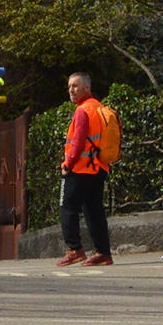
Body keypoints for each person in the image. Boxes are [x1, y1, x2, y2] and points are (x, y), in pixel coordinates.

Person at [56, 73, 113, 267]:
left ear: (86, 88)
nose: (71, 90)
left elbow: (78, 142)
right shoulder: (99, 107)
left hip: (80, 168)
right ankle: (103, 252)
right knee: (94, 210)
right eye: (69, 86)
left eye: (75, 86)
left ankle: (75, 249)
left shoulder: (82, 111)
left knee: (67, 208)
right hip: (99, 167)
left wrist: (68, 165)